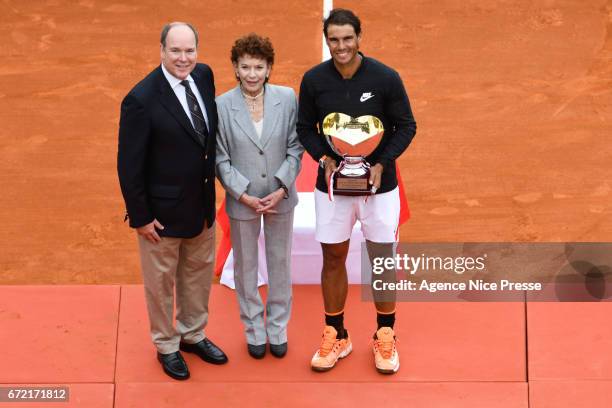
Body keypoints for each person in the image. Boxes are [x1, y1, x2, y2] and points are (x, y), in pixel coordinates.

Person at [297, 9, 417, 374]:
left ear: (359, 38)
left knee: (380, 259)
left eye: (348, 39)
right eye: (334, 40)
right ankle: (338, 333)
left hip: (380, 188)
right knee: (333, 258)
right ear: (326, 40)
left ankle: (385, 334)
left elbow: (406, 126)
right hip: (332, 188)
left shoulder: (385, 78)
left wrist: (381, 163)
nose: (341, 46)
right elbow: (305, 127)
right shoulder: (314, 80)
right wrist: (323, 157)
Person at [117, 22, 228, 381]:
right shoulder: (141, 99)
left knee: (197, 277)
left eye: (190, 50)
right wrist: (141, 217)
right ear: (162, 51)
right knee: (161, 285)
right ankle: (167, 345)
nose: (184, 58)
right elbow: (129, 164)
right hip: (160, 217)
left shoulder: (205, 76)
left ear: (198, 50)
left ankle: (193, 334)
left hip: (201, 208)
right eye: (176, 51)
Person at [216, 33, 303, 359]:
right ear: (236, 69)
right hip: (243, 201)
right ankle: (253, 328)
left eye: (259, 67)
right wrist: (243, 193)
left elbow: (296, 146)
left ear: (269, 69)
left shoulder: (287, 98)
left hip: (281, 196)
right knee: (246, 268)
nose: (252, 74)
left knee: (280, 264)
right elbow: (220, 157)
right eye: (245, 67)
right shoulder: (222, 105)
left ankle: (277, 327)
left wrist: (282, 188)